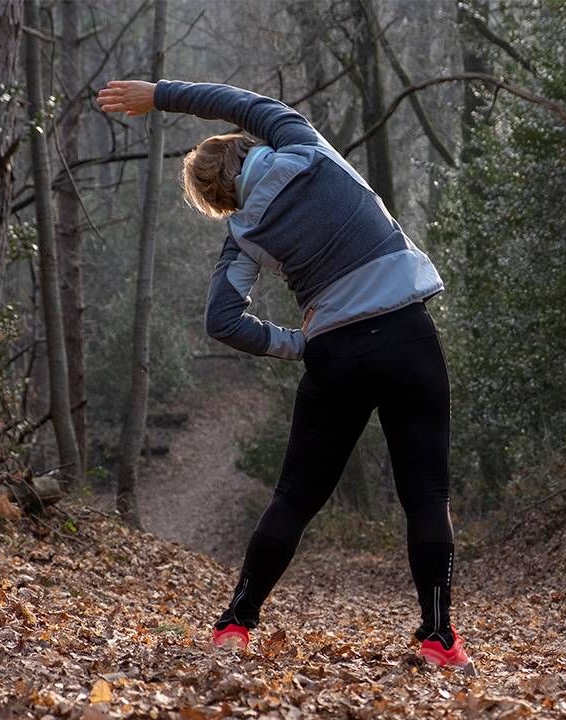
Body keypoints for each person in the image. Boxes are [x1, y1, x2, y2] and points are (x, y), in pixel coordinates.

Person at [96, 79, 468, 668]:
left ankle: (236, 622)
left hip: (335, 357)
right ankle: (438, 638)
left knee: (294, 498)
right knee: (427, 496)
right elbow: (238, 102)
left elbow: (222, 320)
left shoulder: (244, 233)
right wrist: (160, 93)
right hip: (407, 337)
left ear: (221, 198)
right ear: (245, 149)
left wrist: (297, 344)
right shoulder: (304, 147)